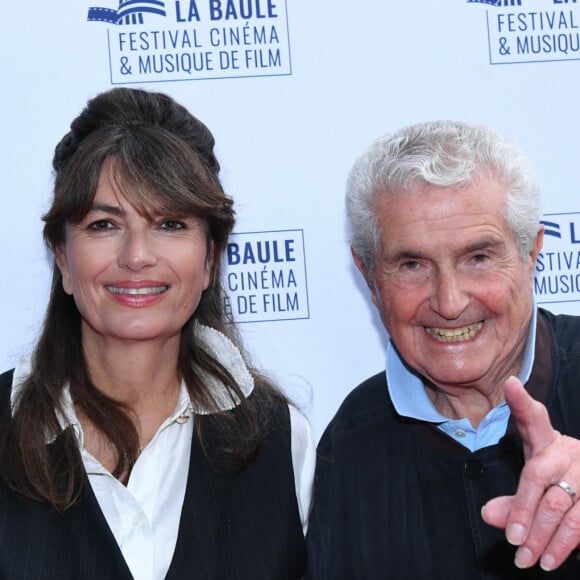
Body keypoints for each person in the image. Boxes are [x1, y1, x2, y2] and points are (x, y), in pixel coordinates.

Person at [0, 87, 314, 580]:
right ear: (62, 256)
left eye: (170, 223)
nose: (137, 255)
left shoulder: (283, 442)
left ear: (210, 257)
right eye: (104, 224)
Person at [305, 120, 580, 578]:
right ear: (370, 277)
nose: (449, 303)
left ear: (531, 254)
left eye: (478, 258)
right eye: (412, 265)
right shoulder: (351, 442)